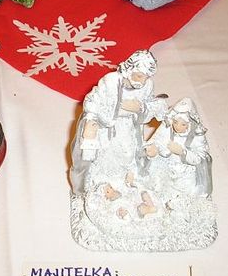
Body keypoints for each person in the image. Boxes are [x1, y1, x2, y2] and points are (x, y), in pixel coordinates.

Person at [70, 50, 167, 194]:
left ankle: (122, 185)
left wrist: (140, 108)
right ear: (130, 69)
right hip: (106, 128)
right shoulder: (111, 81)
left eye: (146, 77)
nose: (142, 82)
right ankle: (102, 187)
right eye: (139, 76)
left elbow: (149, 104)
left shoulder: (147, 85)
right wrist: (90, 121)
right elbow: (93, 101)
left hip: (128, 127)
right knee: (104, 156)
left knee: (126, 154)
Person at [143, 97, 212, 198]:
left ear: (189, 124)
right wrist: (154, 148)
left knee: (185, 192)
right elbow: (156, 139)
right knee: (155, 182)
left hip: (185, 171)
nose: (177, 127)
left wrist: (182, 152)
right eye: (175, 122)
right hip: (166, 165)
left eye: (183, 124)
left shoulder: (197, 136)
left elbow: (201, 158)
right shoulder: (167, 127)